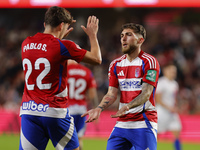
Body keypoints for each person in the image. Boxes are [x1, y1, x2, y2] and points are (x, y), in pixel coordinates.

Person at [19, 6, 101, 150]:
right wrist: (93, 35)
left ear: (45, 24)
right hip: (55, 113)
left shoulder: (26, 43)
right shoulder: (63, 46)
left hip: (29, 113)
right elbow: (96, 59)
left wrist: (59, 38)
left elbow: (47, 51)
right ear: (62, 25)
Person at [82, 23, 160, 150]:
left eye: (129, 35)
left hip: (143, 122)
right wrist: (99, 108)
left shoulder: (149, 61)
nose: (123, 38)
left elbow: (146, 94)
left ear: (140, 40)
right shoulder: (115, 64)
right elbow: (111, 94)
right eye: (122, 35)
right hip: (122, 124)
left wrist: (128, 106)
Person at [67, 60, 98, 150]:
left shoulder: (64, 70)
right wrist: (96, 109)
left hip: (67, 109)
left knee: (65, 140)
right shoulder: (87, 72)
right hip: (81, 110)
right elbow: (92, 94)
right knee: (79, 139)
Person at [155, 64, 182, 150]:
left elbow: (173, 98)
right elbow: (158, 99)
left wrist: (176, 106)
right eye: (171, 71)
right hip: (161, 112)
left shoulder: (175, 84)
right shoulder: (161, 82)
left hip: (171, 113)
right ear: (165, 71)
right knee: (156, 135)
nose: (173, 73)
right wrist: (169, 108)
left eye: (174, 71)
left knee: (177, 131)